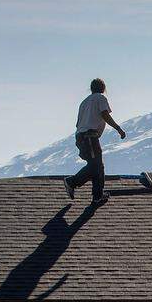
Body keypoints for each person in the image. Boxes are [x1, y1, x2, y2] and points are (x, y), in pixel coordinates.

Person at [63, 78, 125, 206]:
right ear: (103, 88)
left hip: (81, 136)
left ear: (91, 88)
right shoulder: (100, 98)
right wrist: (118, 128)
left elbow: (77, 124)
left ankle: (98, 195)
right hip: (89, 136)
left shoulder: (84, 102)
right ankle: (72, 182)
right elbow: (104, 114)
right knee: (96, 165)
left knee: (98, 165)